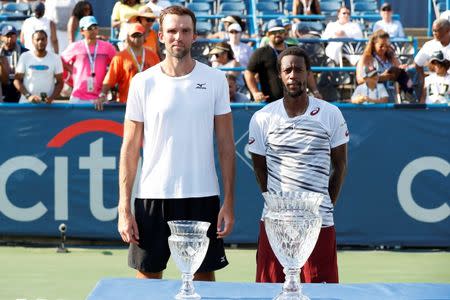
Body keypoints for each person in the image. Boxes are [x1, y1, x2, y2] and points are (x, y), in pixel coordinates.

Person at [118, 6, 235, 281]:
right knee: (147, 284)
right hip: (151, 197)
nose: (178, 37)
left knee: (203, 285)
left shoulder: (215, 80)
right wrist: (124, 207)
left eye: (185, 31)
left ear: (194, 36)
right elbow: (130, 148)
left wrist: (228, 202)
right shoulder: (142, 82)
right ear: (160, 35)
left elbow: (227, 147)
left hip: (202, 197)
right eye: (171, 31)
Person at [248, 46, 348, 284]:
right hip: (275, 223)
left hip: (318, 222)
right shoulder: (262, 118)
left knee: (321, 293)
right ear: (280, 75)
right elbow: (260, 170)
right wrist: (277, 203)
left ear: (308, 74)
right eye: (288, 70)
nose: (293, 75)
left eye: (299, 70)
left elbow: (340, 166)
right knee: (270, 292)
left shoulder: (331, 114)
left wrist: (323, 204)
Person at [245, 19, 321, 102]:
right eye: (273, 32)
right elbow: (248, 73)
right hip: (272, 103)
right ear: (267, 34)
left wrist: (315, 91)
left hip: (297, 102)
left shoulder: (296, 49)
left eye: (280, 31)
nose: (277, 34)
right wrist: (255, 92)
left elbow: (307, 72)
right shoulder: (261, 52)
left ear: (285, 33)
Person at [99, 23, 160, 110]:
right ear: (128, 37)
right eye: (133, 35)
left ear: (144, 37)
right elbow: (110, 79)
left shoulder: (152, 55)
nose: (136, 38)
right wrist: (102, 95)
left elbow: (160, 78)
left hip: (149, 104)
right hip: (127, 104)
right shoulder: (120, 57)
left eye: (139, 35)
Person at [61, 16, 116, 105]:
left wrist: (108, 84)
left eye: (95, 27)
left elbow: (116, 65)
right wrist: (70, 76)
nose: (93, 30)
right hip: (78, 97)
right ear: (82, 31)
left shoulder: (108, 47)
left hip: (100, 99)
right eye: (90, 28)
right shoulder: (75, 46)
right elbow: (60, 61)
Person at [356, 29, 414, 102]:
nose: (384, 48)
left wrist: (401, 69)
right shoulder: (366, 58)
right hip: (373, 98)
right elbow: (359, 80)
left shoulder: (391, 56)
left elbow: (398, 68)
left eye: (386, 46)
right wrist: (380, 77)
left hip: (390, 96)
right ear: (374, 44)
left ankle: (410, 96)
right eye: (381, 46)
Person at [14, 30, 63, 104]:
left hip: (47, 105)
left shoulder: (55, 58)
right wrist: (28, 96)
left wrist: (51, 98)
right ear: (32, 41)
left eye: (43, 39)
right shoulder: (25, 56)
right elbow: (16, 80)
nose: (40, 42)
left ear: (47, 40)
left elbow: (60, 82)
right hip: (26, 103)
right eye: (37, 39)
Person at [415, 19, 450, 99]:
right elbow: (417, 64)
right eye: (433, 30)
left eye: (437, 31)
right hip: (433, 88)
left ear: (448, 31)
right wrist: (423, 80)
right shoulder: (429, 46)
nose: (434, 33)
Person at [0, 25, 28, 103]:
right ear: (1, 37)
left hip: (19, 87)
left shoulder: (25, 52)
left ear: (16, 36)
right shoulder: (0, 52)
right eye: (7, 36)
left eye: (13, 36)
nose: (10, 39)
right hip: (3, 87)